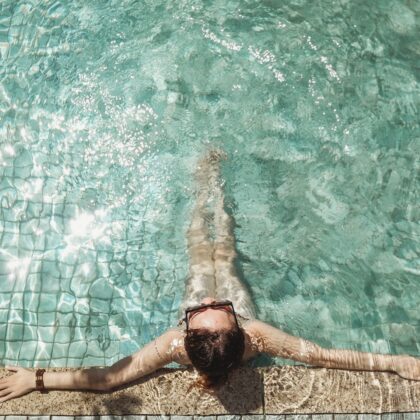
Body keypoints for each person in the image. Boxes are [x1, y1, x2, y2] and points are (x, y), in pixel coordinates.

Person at [1, 150, 419, 402]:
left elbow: (111, 379)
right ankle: (214, 196)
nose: (209, 300)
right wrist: (395, 362)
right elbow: (324, 355)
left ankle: (205, 195)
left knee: (200, 251)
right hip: (238, 309)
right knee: (225, 253)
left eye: (207, 309)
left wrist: (35, 380)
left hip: (216, 324)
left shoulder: (177, 345)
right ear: (237, 327)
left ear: (187, 329)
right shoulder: (257, 335)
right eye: (214, 309)